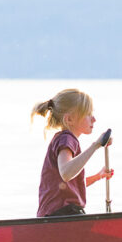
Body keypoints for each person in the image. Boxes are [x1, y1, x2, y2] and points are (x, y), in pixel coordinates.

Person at [31, 88, 113, 217]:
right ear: (69, 119)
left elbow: (68, 184)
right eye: (88, 114)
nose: (94, 119)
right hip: (61, 214)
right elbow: (66, 173)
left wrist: (98, 176)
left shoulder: (65, 139)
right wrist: (95, 145)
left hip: (57, 214)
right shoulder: (66, 139)